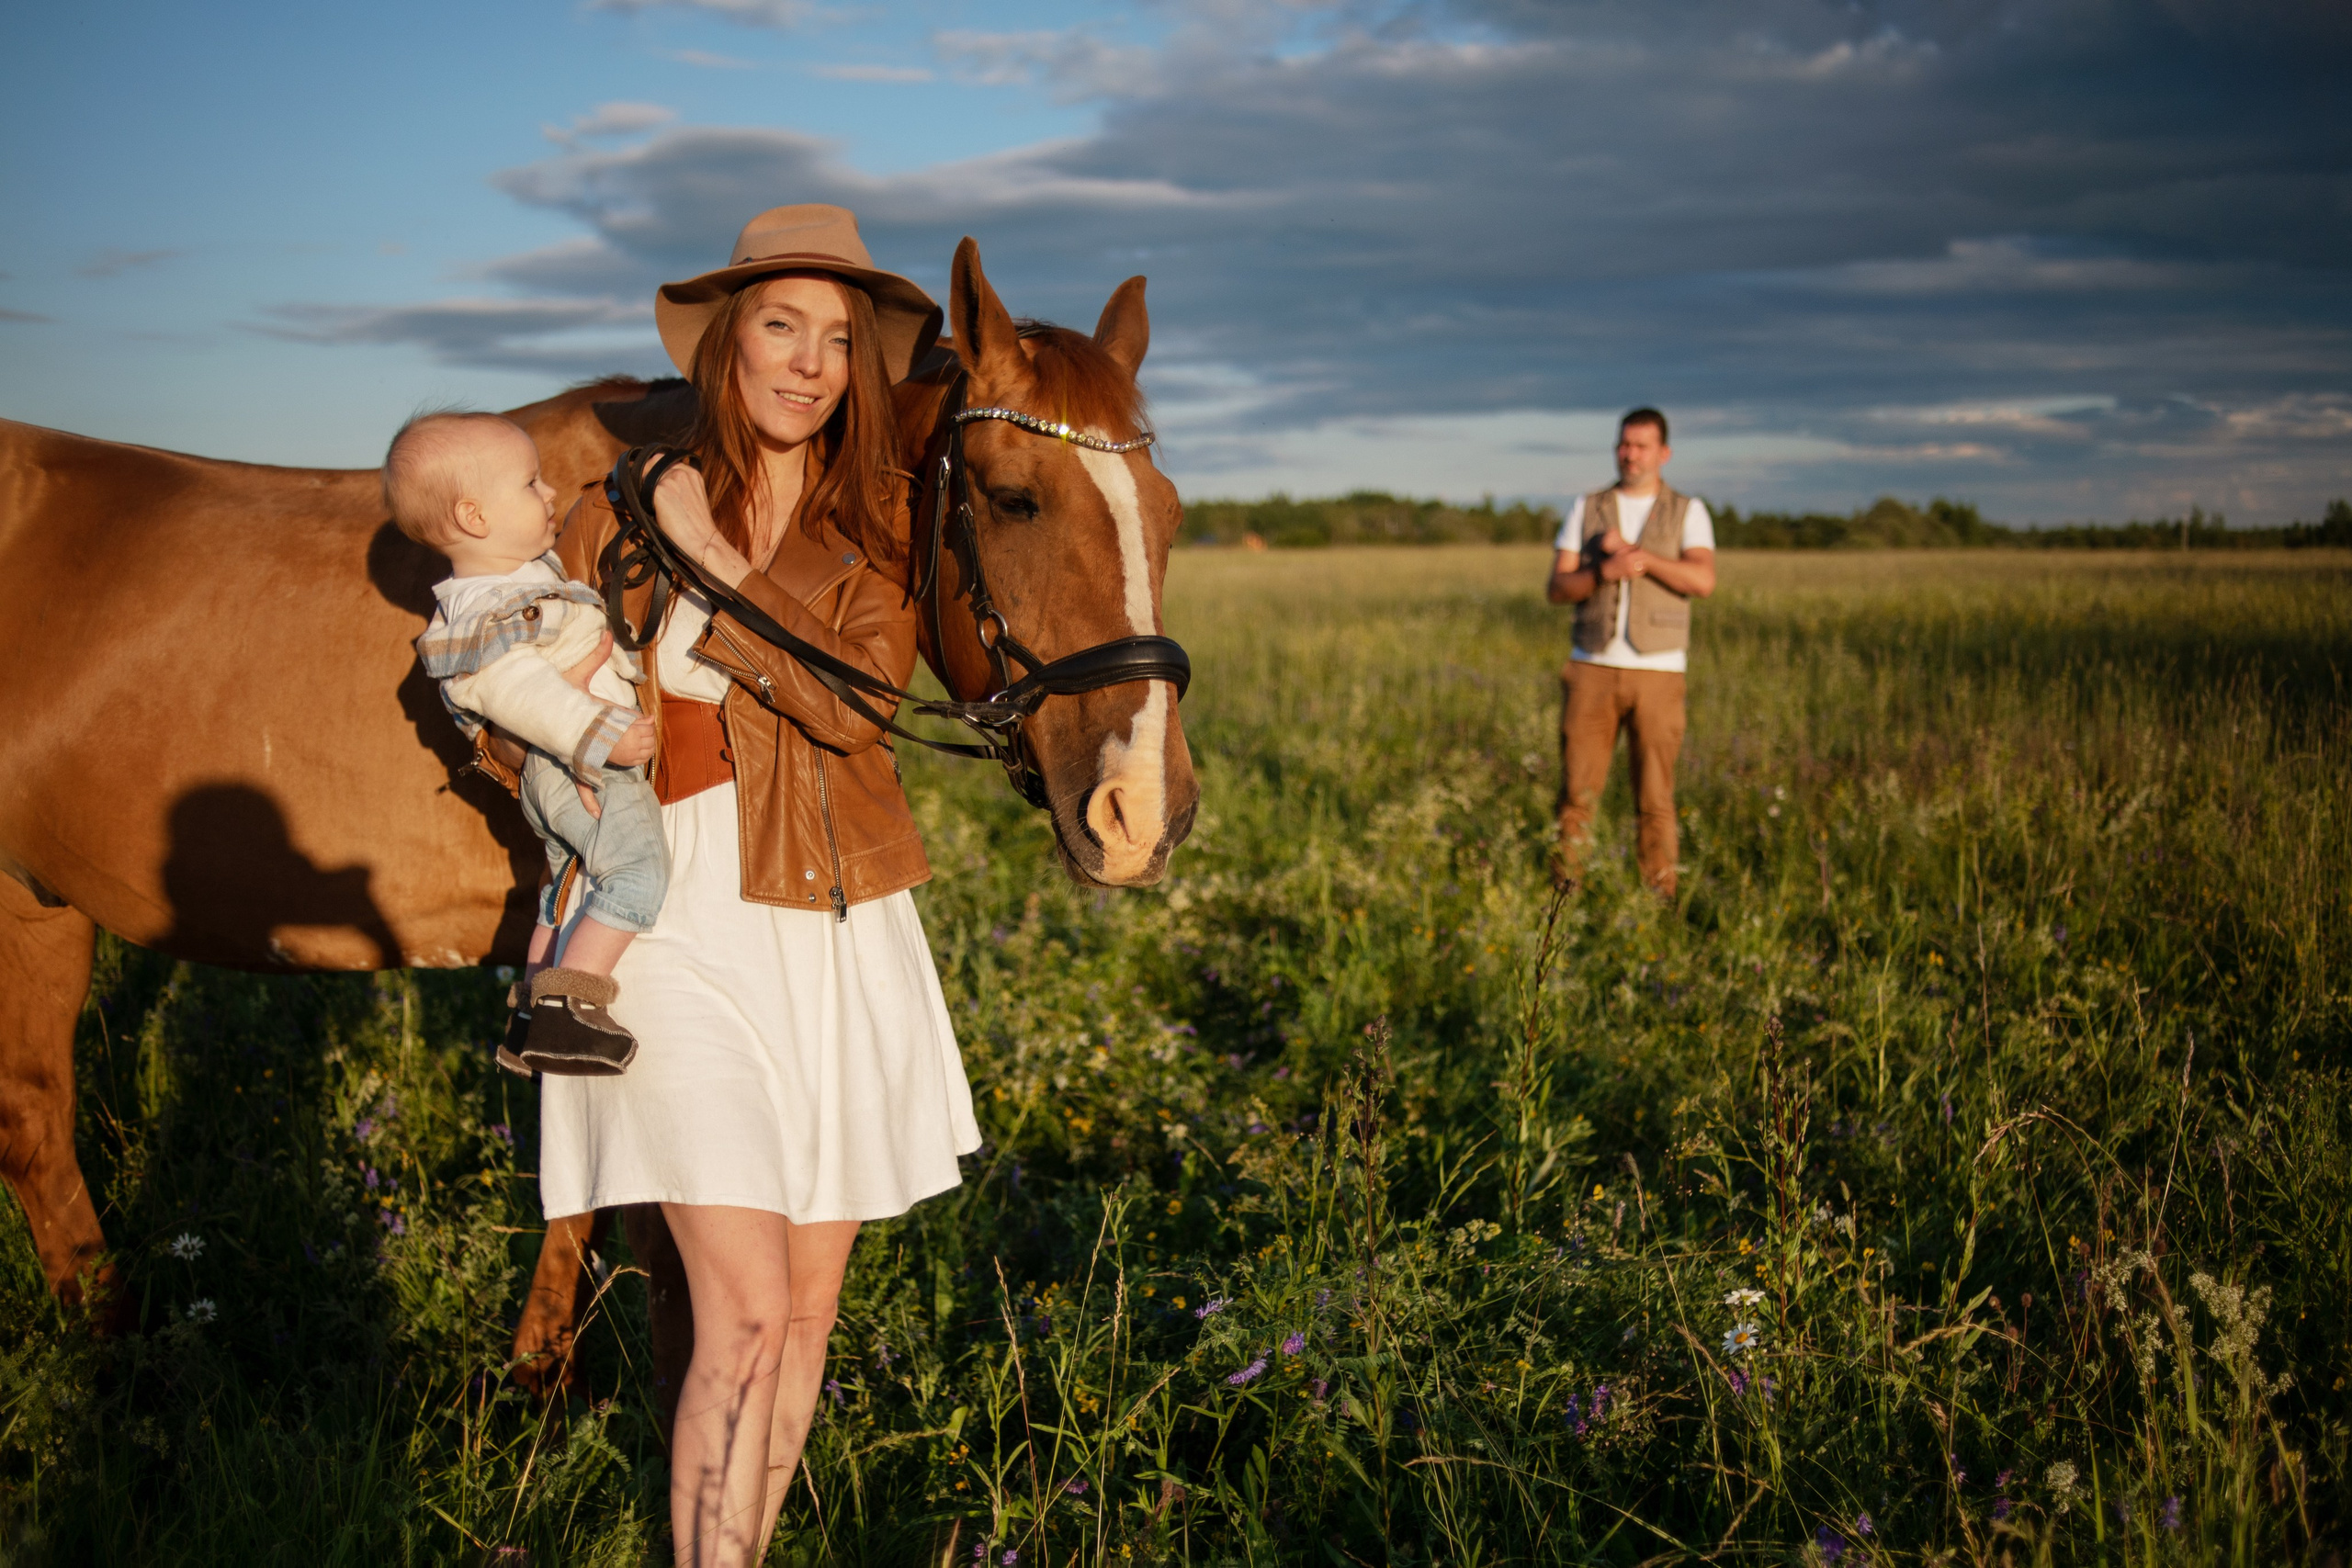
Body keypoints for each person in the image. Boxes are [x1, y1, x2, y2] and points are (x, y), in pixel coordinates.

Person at [477, 204, 978, 1568]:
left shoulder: (870, 536)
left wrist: (721, 560)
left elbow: (858, 702)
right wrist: (566, 726)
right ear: (724, 344)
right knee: (744, 1309)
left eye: (837, 340)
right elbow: (493, 680)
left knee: (804, 1316)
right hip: (664, 920)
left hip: (831, 922)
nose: (811, 362)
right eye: (782, 326)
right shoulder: (610, 508)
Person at [390, 412, 665, 1075]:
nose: (549, 494)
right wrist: (604, 736)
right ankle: (571, 1011)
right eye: (530, 482)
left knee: (561, 883)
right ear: (473, 515)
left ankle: (527, 1017)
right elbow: (514, 692)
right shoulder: (487, 612)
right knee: (636, 874)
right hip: (582, 765)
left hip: (555, 771)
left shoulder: (511, 586)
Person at [1546, 408, 1717, 897]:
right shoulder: (1588, 507)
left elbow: (1702, 580)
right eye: (1624, 444)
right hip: (1591, 667)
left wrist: (1640, 560)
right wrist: (1603, 571)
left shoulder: (1689, 510)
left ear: (1663, 453)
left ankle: (1659, 903)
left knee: (1656, 799)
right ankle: (1563, 903)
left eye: (1642, 446)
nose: (1631, 454)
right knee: (1577, 796)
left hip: (1659, 672)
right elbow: (1557, 587)